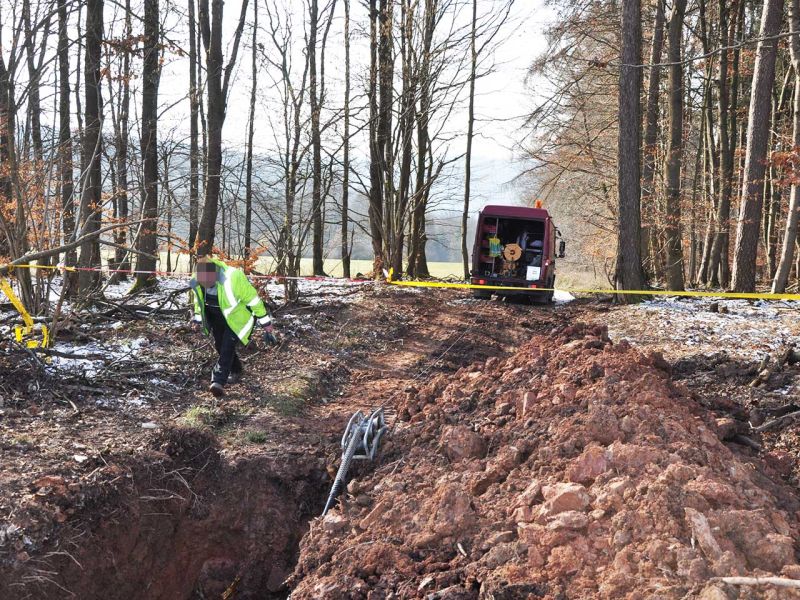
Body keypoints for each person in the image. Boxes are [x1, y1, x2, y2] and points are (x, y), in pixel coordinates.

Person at [189, 256, 277, 397]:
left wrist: (265, 323)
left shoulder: (233, 277)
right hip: (215, 317)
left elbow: (253, 300)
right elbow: (198, 301)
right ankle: (236, 369)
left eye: (209, 283)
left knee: (227, 347)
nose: (206, 286)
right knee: (219, 345)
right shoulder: (196, 279)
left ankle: (217, 381)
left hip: (237, 318)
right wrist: (198, 319)